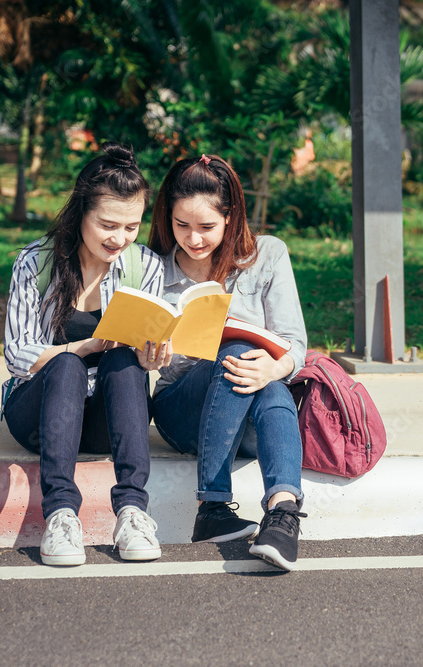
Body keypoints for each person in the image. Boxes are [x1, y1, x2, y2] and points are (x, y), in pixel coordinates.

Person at [2, 143, 173, 566]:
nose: (120, 238)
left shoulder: (145, 266)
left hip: (103, 419)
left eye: (132, 227)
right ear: (81, 213)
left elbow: (140, 350)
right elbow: (16, 353)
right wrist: (85, 345)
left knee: (126, 361)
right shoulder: (35, 262)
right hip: (39, 415)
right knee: (65, 364)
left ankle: (133, 512)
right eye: (108, 225)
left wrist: (151, 357)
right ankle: (60, 515)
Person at [148, 153, 308, 571]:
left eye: (207, 227)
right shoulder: (152, 266)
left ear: (230, 216)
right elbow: (138, 353)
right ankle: (231, 507)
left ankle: (276, 513)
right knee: (236, 356)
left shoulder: (267, 255)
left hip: (252, 420)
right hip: (182, 411)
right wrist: (150, 351)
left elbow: (295, 345)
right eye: (181, 225)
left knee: (268, 379)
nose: (193, 238)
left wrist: (275, 367)